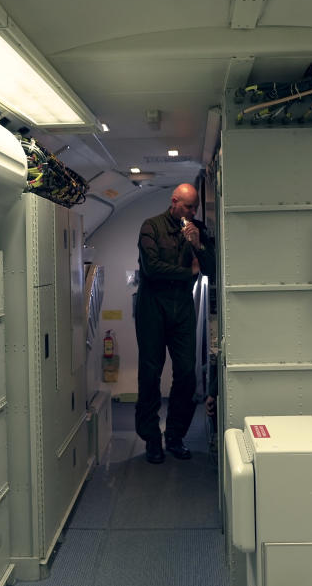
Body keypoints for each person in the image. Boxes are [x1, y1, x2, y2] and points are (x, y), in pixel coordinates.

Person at [135, 183, 216, 463]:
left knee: (185, 374)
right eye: (188, 207)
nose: (192, 212)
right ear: (174, 202)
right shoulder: (151, 227)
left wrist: (197, 246)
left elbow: (211, 268)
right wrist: (187, 271)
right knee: (150, 373)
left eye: (195, 207)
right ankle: (151, 439)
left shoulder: (197, 230)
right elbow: (151, 268)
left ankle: (175, 436)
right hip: (152, 307)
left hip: (181, 307)